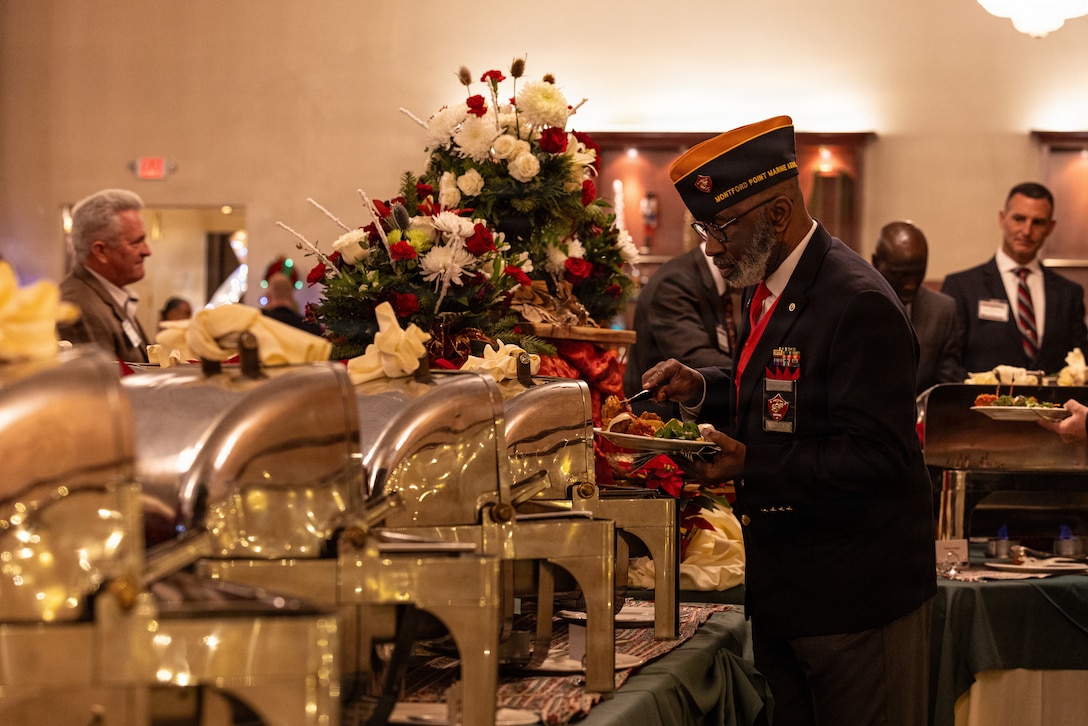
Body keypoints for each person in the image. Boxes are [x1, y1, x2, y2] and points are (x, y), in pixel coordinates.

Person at [642, 116, 937, 726]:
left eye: (721, 228)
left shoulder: (856, 302)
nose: (711, 247)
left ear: (777, 215)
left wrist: (753, 463)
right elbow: (782, 400)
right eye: (704, 229)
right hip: (792, 595)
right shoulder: (773, 285)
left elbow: (880, 458)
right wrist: (702, 389)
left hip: (855, 601)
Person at [940, 182, 1088, 375]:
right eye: (1019, 219)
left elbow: (1080, 364)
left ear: (1050, 228)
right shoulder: (962, 288)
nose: (1026, 231)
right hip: (980, 403)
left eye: (1038, 222)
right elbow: (948, 364)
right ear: (1002, 219)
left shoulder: (1069, 294)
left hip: (1052, 403)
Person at [623, 243, 737, 421]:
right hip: (658, 427)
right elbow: (694, 359)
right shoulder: (674, 281)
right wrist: (752, 377)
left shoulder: (708, 280)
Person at [57, 188, 152, 362]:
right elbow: (98, 386)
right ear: (101, 251)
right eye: (136, 242)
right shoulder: (78, 308)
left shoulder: (107, 296)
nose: (147, 251)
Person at [871, 221, 964, 393]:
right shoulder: (854, 305)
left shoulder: (942, 311)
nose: (910, 285)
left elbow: (946, 391)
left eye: (918, 273)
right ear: (876, 263)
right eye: (901, 274)